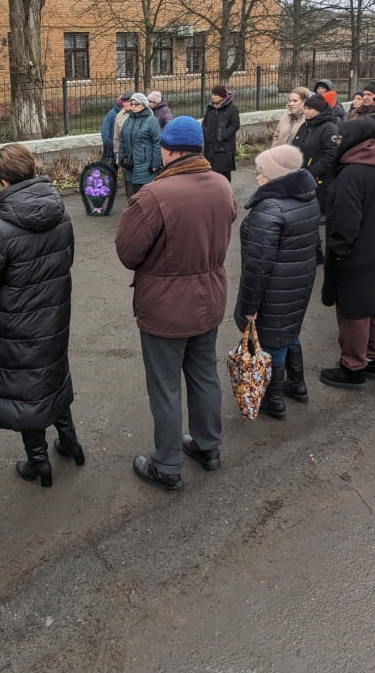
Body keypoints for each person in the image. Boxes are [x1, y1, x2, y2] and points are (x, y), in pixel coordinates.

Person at [116, 116, 238, 492]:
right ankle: (208, 447)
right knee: (204, 375)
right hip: (209, 298)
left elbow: (127, 252)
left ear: (167, 150)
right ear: (199, 148)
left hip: (165, 307)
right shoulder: (221, 184)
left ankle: (167, 465)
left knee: (165, 387)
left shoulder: (153, 195)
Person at [0, 144, 83, 487]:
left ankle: (39, 462)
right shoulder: (61, 214)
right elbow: (67, 260)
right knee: (52, 375)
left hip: (16, 325)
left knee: (26, 390)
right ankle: (70, 442)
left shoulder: (1, 231)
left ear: (3, 182)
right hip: (54, 316)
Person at [234, 144, 320, 419]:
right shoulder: (307, 197)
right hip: (297, 279)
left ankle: (274, 398)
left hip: (274, 287)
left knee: (271, 340)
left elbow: (258, 266)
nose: (256, 176)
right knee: (289, 332)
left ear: (274, 175)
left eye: (260, 171)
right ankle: (297, 384)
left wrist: (249, 306)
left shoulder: (269, 208)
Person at [318, 119, 375, 389]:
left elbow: (345, 223)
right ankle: (373, 359)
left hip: (356, 254)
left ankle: (353, 367)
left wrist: (337, 254)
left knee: (353, 313)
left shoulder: (352, 174)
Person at [292, 94, 339, 216]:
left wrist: (312, 171)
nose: (305, 111)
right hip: (301, 176)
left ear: (319, 110)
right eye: (305, 108)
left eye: (309, 109)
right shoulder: (306, 126)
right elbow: (295, 146)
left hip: (319, 181)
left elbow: (331, 155)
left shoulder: (329, 128)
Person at [118, 92, 163, 195]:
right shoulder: (128, 120)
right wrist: (121, 159)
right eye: (132, 104)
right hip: (130, 164)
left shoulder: (151, 120)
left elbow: (157, 142)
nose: (133, 107)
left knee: (144, 196)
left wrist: (156, 163)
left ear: (144, 104)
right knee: (131, 196)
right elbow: (123, 141)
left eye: (136, 104)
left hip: (145, 165)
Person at [202, 84, 241, 183]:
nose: (212, 97)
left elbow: (235, 124)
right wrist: (205, 134)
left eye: (215, 95)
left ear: (222, 96)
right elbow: (205, 124)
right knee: (211, 176)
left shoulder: (232, 108)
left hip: (224, 148)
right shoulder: (210, 108)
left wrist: (223, 136)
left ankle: (226, 195)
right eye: (212, 94)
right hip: (210, 148)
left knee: (224, 177)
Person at [100, 94, 127, 168]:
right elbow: (104, 132)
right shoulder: (112, 114)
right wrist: (110, 145)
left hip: (121, 148)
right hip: (111, 149)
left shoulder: (127, 114)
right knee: (109, 171)